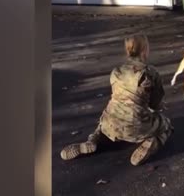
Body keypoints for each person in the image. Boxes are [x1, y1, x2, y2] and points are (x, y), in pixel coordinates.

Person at [60, 34, 173, 166]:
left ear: (127, 50)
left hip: (111, 122)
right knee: (166, 125)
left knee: (103, 124)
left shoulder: (116, 71)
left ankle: (93, 141)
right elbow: (155, 103)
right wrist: (158, 108)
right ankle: (152, 142)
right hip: (136, 125)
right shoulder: (150, 73)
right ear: (145, 50)